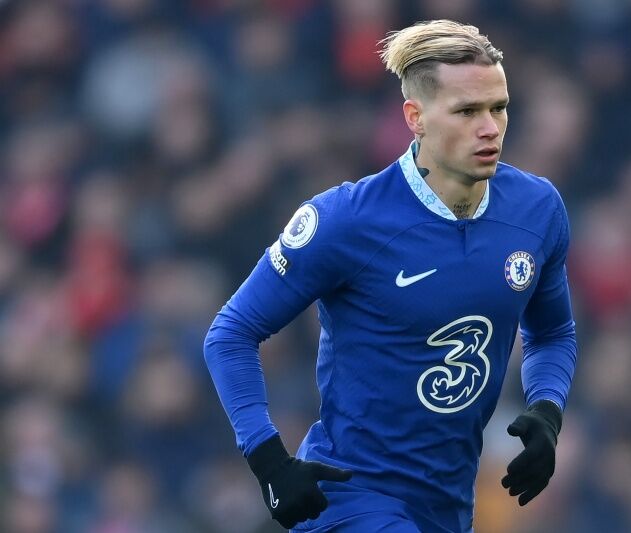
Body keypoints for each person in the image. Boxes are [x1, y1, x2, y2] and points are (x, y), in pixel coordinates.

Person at [204, 19, 577, 533]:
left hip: (448, 506)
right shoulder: (346, 220)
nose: (490, 127)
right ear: (415, 118)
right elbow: (230, 333)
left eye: (499, 107)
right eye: (467, 111)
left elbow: (553, 332)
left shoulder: (537, 210)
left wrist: (548, 410)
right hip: (351, 497)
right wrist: (269, 462)